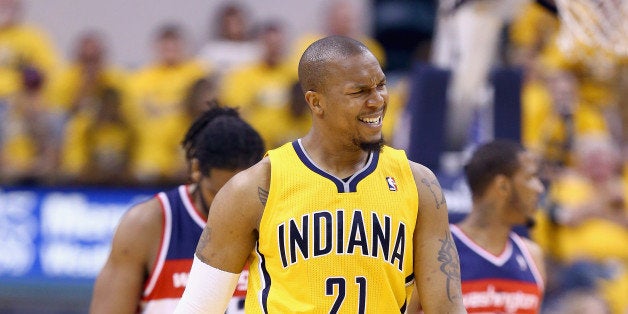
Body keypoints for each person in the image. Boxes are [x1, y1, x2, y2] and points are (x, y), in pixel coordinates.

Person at [175, 35, 466, 313]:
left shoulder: (418, 183)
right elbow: (198, 308)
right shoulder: (255, 187)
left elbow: (448, 308)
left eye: (381, 85)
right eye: (359, 91)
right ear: (316, 102)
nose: (377, 100)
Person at [89, 105, 265, 313]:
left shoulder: (278, 216)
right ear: (197, 169)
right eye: (218, 195)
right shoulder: (146, 225)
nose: (230, 207)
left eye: (242, 197)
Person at [409, 139, 547, 313]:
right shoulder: (436, 250)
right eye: (530, 177)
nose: (539, 188)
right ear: (503, 186)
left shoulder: (532, 256)